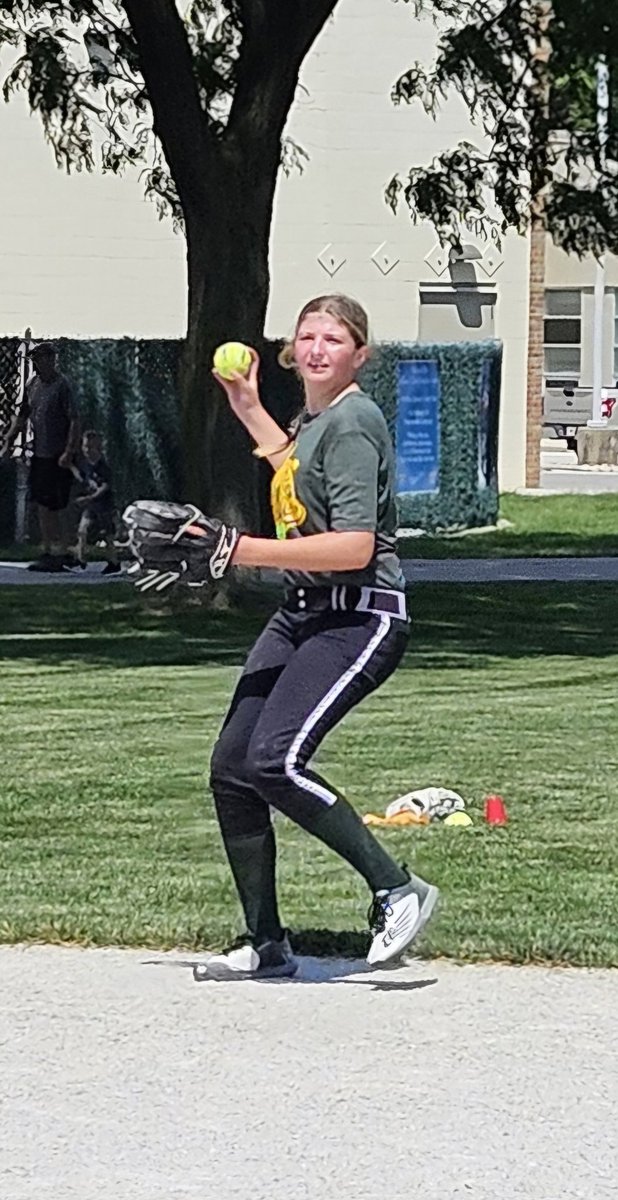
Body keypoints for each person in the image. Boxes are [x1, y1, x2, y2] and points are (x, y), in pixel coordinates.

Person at [195, 293, 439, 982]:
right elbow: (293, 478)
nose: (318, 348)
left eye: (335, 338)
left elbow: (355, 546)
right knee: (233, 769)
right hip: (305, 611)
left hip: (359, 614)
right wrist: (246, 402)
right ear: (291, 348)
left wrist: (234, 549)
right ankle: (268, 943)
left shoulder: (354, 421)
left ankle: (399, 889)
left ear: (360, 354)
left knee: (275, 760)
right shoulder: (316, 420)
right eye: (307, 336)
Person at [0, 342, 80, 571]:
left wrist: (69, 451)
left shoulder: (63, 386)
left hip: (59, 453)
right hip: (40, 452)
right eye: (35, 359)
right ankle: (50, 551)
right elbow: (22, 416)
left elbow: (74, 419)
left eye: (42, 358)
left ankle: (63, 551)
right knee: (41, 504)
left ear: (52, 360)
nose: (37, 363)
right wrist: (8, 441)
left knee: (57, 505)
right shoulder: (33, 384)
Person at [73, 430, 120, 574]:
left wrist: (88, 498)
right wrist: (70, 466)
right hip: (91, 506)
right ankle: (80, 560)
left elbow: (104, 487)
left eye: (90, 447)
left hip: (104, 504)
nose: (87, 450)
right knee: (82, 530)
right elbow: (82, 478)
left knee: (107, 535)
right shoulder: (85, 465)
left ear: (98, 448)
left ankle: (114, 562)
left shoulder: (103, 467)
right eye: (85, 447)